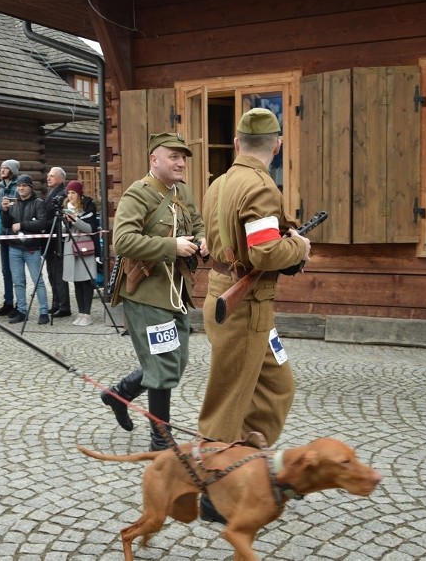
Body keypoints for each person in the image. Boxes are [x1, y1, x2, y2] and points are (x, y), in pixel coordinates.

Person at [196, 108, 310, 523]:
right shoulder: (261, 188)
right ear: (276, 146)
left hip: (230, 299)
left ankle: (247, 460)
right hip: (246, 307)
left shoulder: (218, 184)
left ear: (237, 143)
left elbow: (226, 242)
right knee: (226, 403)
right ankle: (215, 493)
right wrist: (299, 247)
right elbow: (265, 252)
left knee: (278, 384)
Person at [100, 132, 206, 451]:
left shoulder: (182, 192)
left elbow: (197, 225)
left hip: (176, 293)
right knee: (162, 366)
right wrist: (171, 246)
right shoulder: (139, 194)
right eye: (173, 156)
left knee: (176, 361)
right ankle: (160, 442)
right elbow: (123, 242)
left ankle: (119, 394)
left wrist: (202, 242)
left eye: (183, 157)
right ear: (154, 159)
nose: (181, 162)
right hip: (147, 295)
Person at [0, 174, 50, 325]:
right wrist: (5, 211)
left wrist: (22, 225)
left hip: (32, 248)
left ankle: (44, 311)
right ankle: (21, 311)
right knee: (18, 282)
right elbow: (7, 224)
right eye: (19, 185)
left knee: (38, 281)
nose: (21, 188)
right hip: (14, 247)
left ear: (30, 187)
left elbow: (42, 223)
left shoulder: (38, 202)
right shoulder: (13, 202)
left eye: (24, 185)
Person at [61, 180, 97, 326]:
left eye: (73, 193)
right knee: (76, 281)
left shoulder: (87, 208)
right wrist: (64, 222)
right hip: (70, 247)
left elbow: (89, 228)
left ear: (79, 194)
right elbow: (63, 231)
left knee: (86, 281)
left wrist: (75, 219)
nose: (70, 196)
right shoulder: (66, 208)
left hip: (84, 247)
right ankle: (80, 313)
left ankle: (87, 314)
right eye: (68, 193)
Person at [0, 159, 20, 316]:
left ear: (12, 170)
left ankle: (19, 303)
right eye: (1, 167)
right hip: (3, 233)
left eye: (5, 168)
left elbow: (19, 207)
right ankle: (8, 302)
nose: (2, 170)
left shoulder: (19, 186)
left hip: (14, 232)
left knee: (16, 271)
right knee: (5, 270)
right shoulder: (1, 188)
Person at [44, 166, 71, 318]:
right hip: (49, 238)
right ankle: (56, 303)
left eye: (52, 176)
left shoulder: (63, 194)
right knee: (51, 273)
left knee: (58, 274)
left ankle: (64, 305)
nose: (48, 178)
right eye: (48, 175)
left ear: (61, 179)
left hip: (57, 239)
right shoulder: (50, 193)